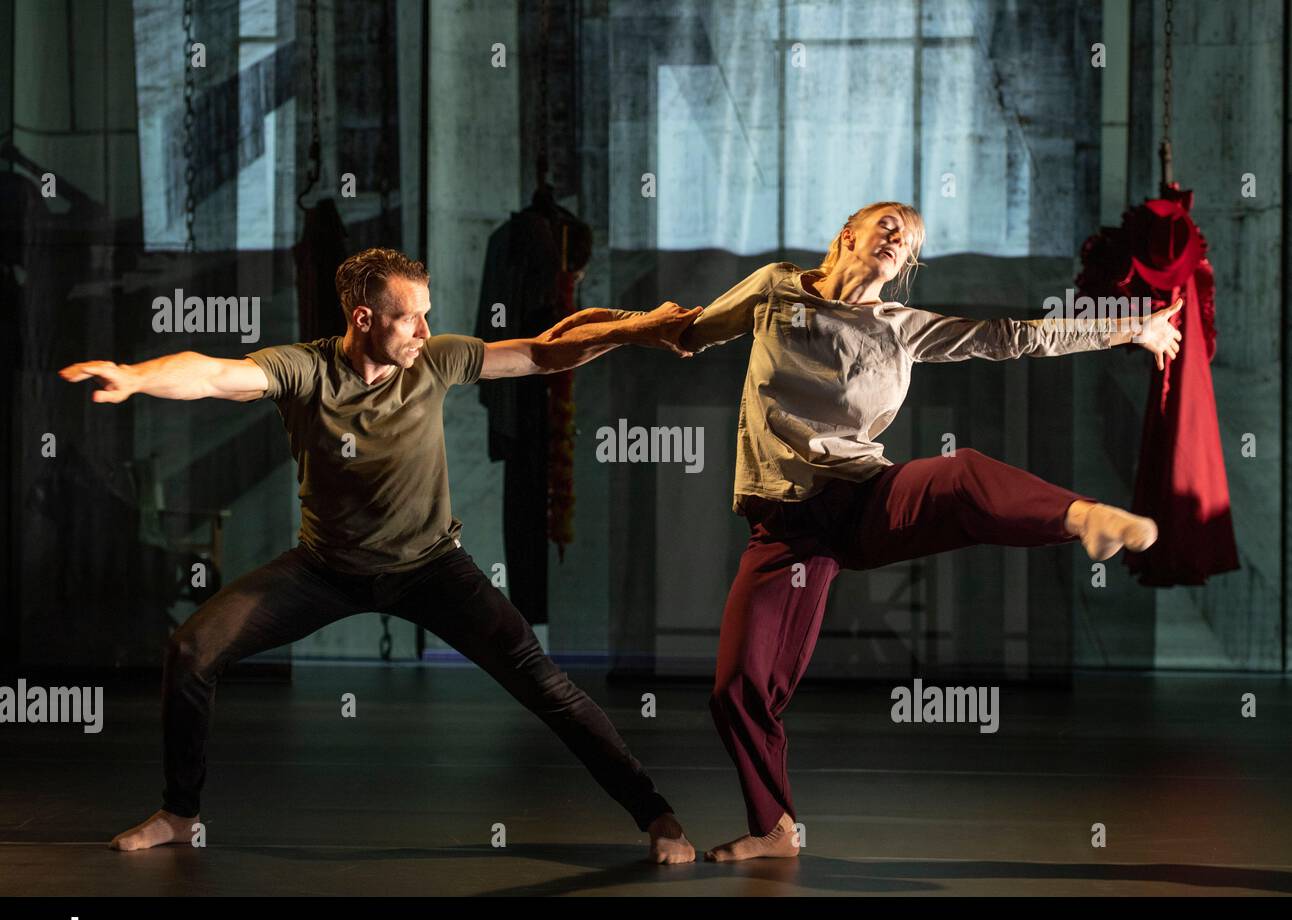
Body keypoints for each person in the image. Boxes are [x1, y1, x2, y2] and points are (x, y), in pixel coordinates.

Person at [59, 247, 703, 864]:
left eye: (427, 312)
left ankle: (657, 815)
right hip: (325, 570)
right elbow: (214, 374)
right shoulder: (305, 371)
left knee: (545, 685)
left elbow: (540, 353)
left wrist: (636, 331)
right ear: (363, 318)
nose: (425, 328)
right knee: (190, 651)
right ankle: (178, 814)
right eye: (409, 316)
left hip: (431, 568)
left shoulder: (435, 360)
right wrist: (135, 376)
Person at [680, 201, 1184, 862]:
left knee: (961, 475)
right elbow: (688, 332)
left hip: (864, 498)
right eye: (889, 225)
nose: (899, 239)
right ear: (848, 234)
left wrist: (1128, 330)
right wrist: (594, 335)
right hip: (783, 529)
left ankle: (1082, 516)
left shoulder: (903, 327)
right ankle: (774, 826)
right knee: (738, 690)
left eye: (910, 239)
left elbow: (1014, 336)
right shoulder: (776, 288)